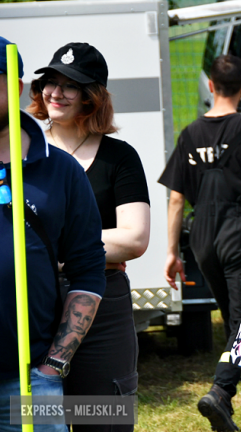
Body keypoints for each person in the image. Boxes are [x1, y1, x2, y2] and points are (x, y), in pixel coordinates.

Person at [27, 42, 150, 431]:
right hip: (36, 305)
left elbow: (134, 238)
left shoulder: (120, 157)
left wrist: (65, 250)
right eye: (50, 82)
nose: (56, 93)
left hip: (104, 310)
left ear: (92, 97)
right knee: (36, 419)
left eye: (71, 85)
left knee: (104, 419)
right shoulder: (22, 152)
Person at [159, 54, 241, 432]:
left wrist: (171, 252)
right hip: (239, 230)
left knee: (236, 313)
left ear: (210, 86)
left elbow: (176, 199)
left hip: (201, 238)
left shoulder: (190, 133)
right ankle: (221, 393)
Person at [0, 37, 106, 432]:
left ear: (13, 87)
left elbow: (88, 268)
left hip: (29, 380)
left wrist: (52, 366)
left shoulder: (61, 171)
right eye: (53, 83)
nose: (58, 92)